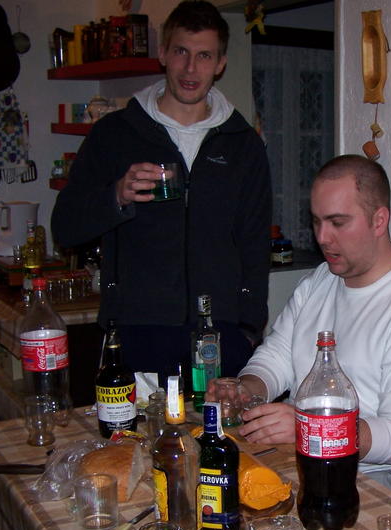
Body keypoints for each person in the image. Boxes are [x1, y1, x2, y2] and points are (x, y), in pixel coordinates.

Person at [51, 1, 272, 380]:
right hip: (138, 328)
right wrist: (116, 196)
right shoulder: (115, 134)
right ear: (163, 54)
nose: (191, 68)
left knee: (220, 422)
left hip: (220, 333)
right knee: (139, 423)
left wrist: (249, 328)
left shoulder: (243, 144)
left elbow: (255, 242)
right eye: (181, 52)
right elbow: (65, 227)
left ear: (221, 63)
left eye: (204, 56)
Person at [222, 154, 391, 495]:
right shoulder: (319, 280)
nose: (322, 237)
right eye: (317, 221)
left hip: (371, 475)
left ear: (379, 220)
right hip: (302, 456)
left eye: (338, 223)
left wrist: (312, 429)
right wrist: (245, 389)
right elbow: (277, 356)